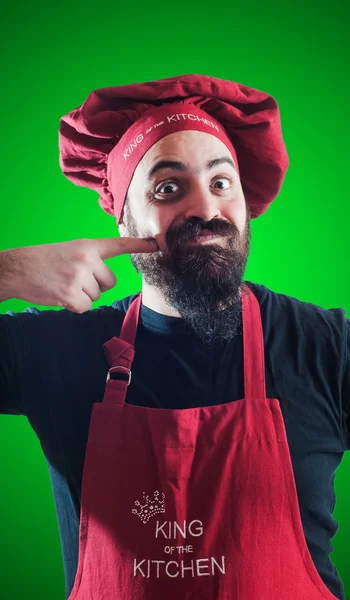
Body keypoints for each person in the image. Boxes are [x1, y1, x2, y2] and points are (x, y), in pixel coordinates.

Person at [0, 74, 348, 600]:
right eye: (168, 187)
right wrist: (6, 271)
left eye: (221, 182)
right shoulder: (53, 352)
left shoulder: (326, 347)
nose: (206, 210)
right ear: (123, 218)